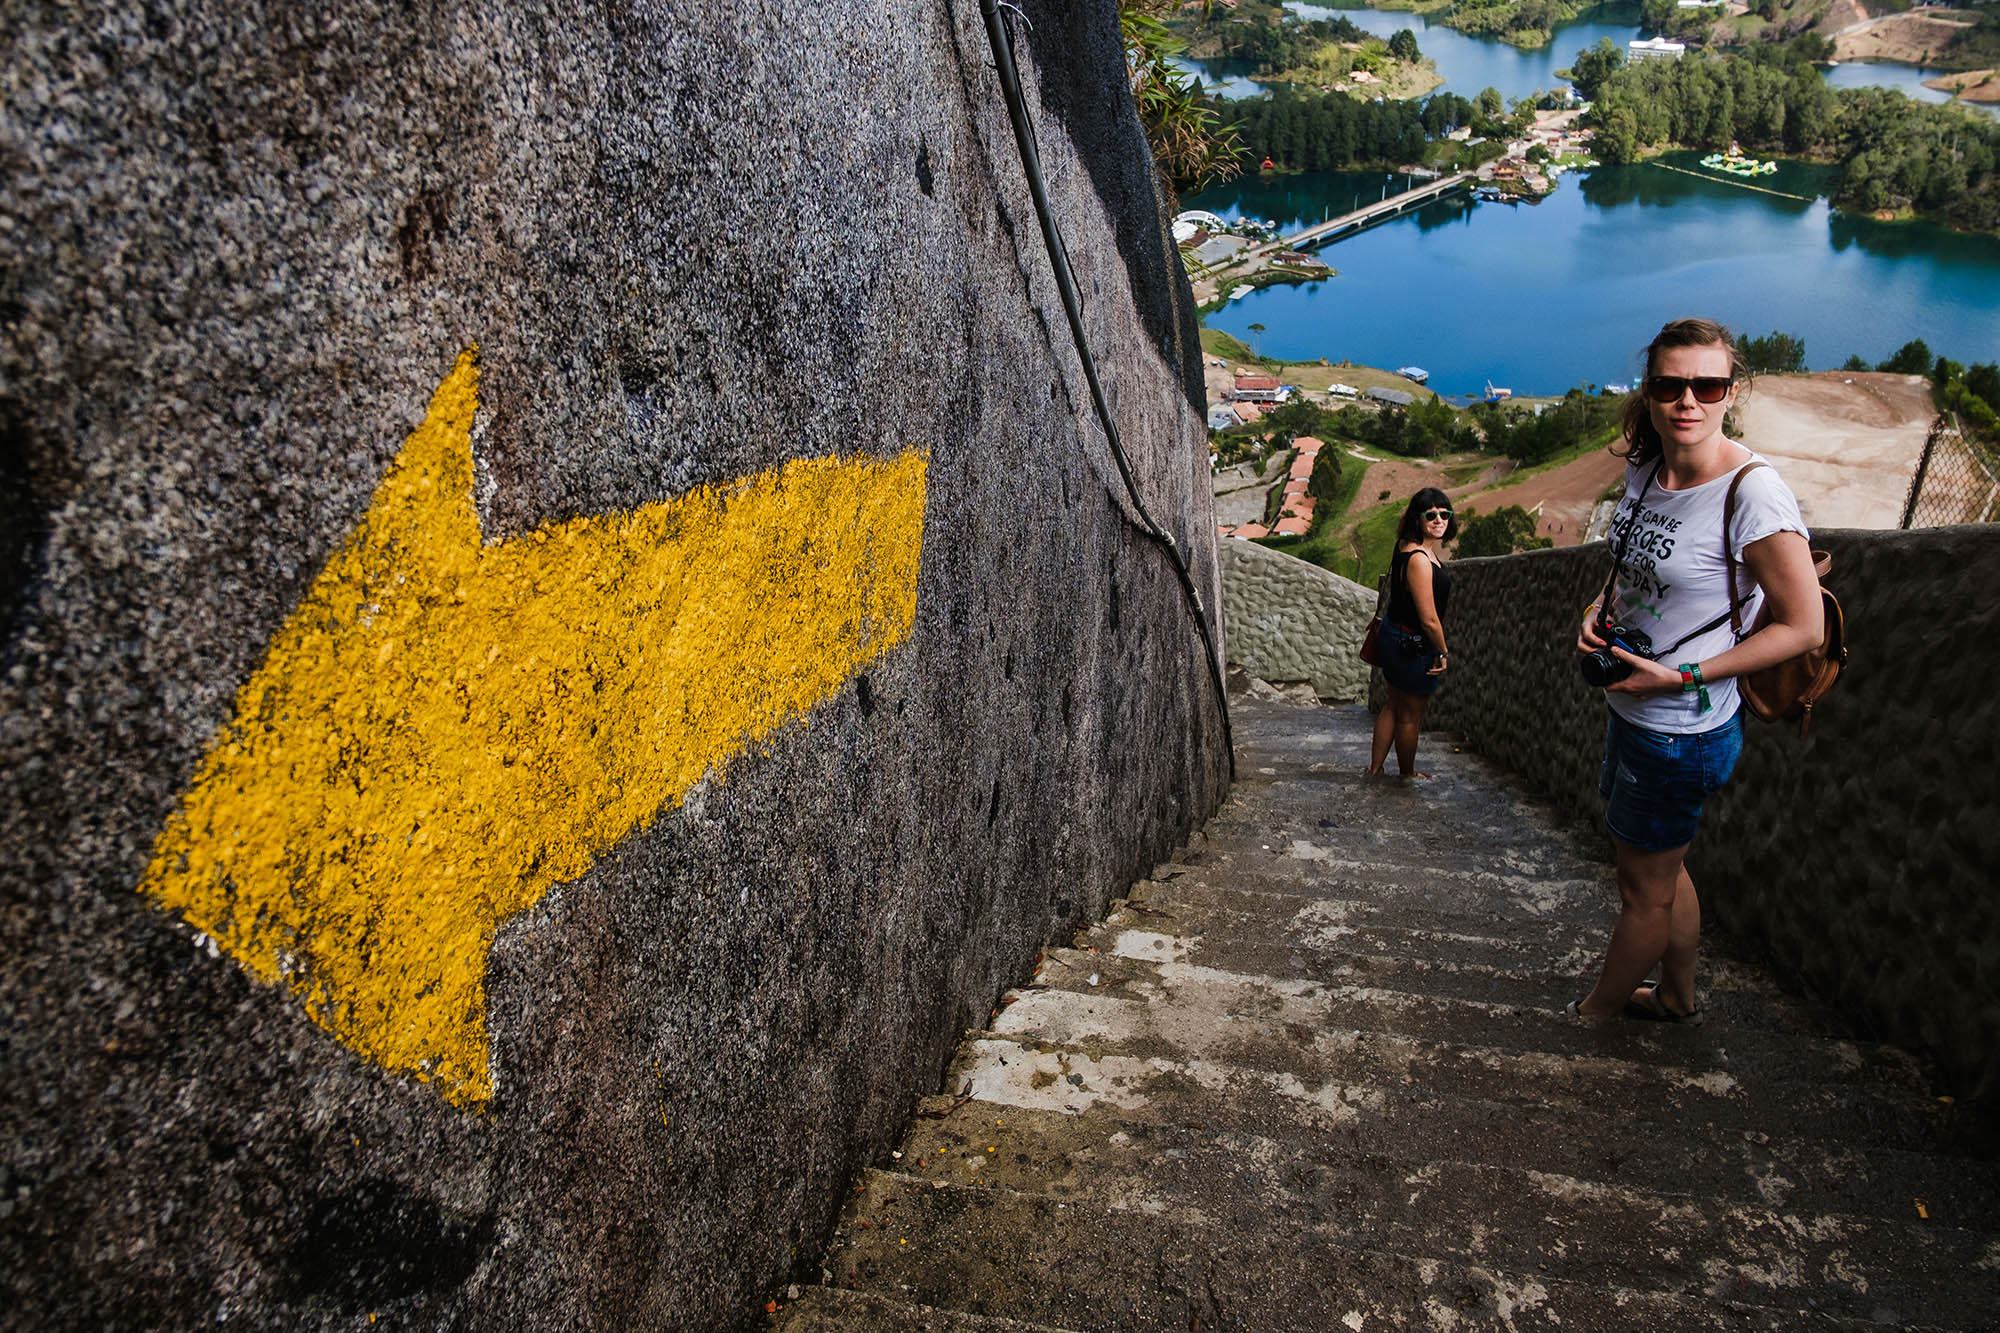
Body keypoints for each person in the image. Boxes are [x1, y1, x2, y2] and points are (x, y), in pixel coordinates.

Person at [1568, 318, 1823, 1023]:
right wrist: (1596, 610)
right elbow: (1635, 565)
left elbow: (1807, 626)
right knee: (1665, 868)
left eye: (1706, 385)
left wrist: (1684, 677)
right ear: (1648, 392)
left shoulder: (1753, 493)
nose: (1688, 400)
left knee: (1641, 891)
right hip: (1632, 709)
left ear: (1730, 392)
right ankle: (1678, 994)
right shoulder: (1647, 466)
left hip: (1681, 728)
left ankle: (1594, 1018)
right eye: (1670, 384)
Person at [1365, 488, 1454, 779]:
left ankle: (1375, 769)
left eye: (1445, 514)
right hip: (1412, 644)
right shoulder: (1419, 559)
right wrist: (1442, 651)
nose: (1439, 519)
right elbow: (1428, 619)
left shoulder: (1405, 545)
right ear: (1418, 519)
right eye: (1431, 515)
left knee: (1392, 704)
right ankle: (1407, 775)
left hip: (1394, 634)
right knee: (1409, 717)